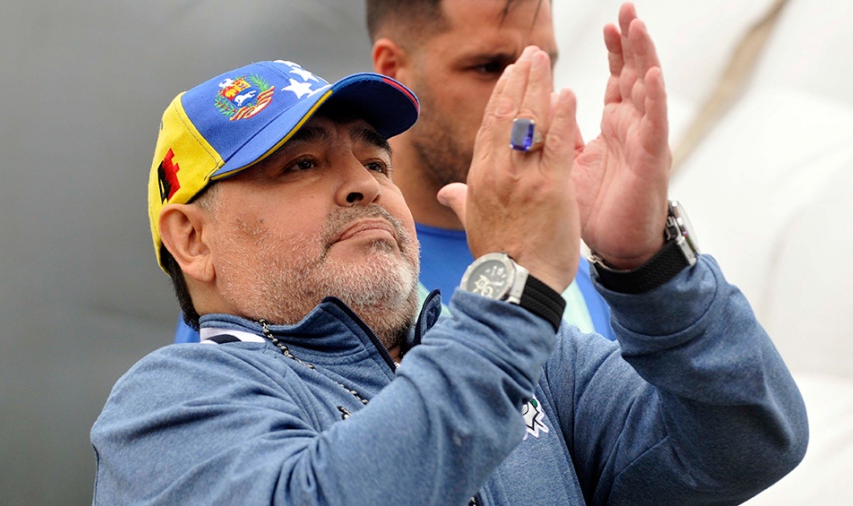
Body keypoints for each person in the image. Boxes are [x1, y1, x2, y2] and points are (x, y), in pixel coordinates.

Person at [92, 7, 807, 505]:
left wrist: (644, 264)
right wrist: (510, 283)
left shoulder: (547, 364)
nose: (363, 187)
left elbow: (748, 440)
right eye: (301, 166)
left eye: (376, 163)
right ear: (192, 238)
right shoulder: (164, 408)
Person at [172, 0, 614, 344]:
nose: (527, 99)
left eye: (543, 67)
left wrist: (647, 263)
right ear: (393, 68)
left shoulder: (571, 266)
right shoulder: (274, 285)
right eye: (488, 66)